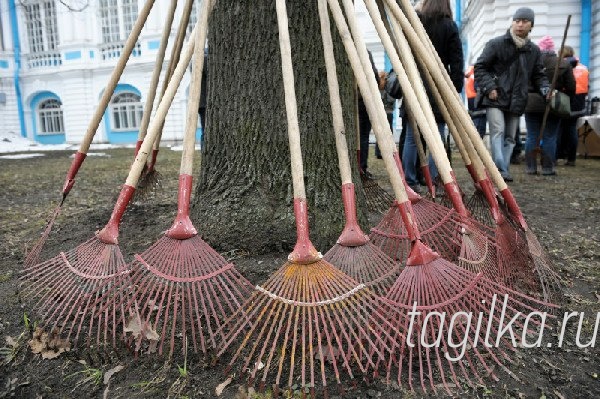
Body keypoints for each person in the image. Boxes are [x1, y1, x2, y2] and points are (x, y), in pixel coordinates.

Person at [474, 7, 550, 182]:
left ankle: (504, 168)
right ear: (512, 22)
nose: (520, 24)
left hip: (517, 100)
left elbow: (539, 75)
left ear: (531, 25)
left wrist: (545, 89)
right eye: (517, 21)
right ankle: (499, 170)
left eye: (524, 21)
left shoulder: (533, 51)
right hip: (495, 97)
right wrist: (489, 87)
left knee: (510, 138)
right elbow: (480, 67)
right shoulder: (496, 44)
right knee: (498, 132)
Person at [401, 0, 463, 192]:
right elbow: (457, 61)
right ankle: (436, 181)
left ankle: (409, 182)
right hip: (438, 87)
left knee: (412, 137)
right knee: (437, 136)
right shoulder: (449, 25)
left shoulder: (416, 21)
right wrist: (455, 89)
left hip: (416, 82)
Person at [524, 36, 575, 175]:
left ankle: (530, 167)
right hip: (553, 103)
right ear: (552, 49)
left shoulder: (532, 62)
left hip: (532, 103)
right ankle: (547, 168)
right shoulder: (563, 63)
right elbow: (571, 87)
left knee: (531, 135)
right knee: (550, 137)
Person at [556, 45, 589, 166]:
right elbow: (587, 87)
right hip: (579, 103)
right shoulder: (583, 68)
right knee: (572, 130)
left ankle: (556, 156)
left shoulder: (562, 66)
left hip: (565, 100)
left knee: (558, 129)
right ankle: (571, 158)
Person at [358, 50, 379, 179]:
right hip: (365, 101)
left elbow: (375, 77)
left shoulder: (364, 52)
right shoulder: (365, 52)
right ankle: (362, 167)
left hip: (361, 101)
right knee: (363, 137)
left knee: (361, 137)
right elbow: (375, 77)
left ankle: (361, 167)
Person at [465, 64, 487, 138]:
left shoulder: (471, 71)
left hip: (471, 100)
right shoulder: (478, 72)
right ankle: (477, 146)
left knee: (475, 123)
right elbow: (479, 89)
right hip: (478, 102)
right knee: (479, 128)